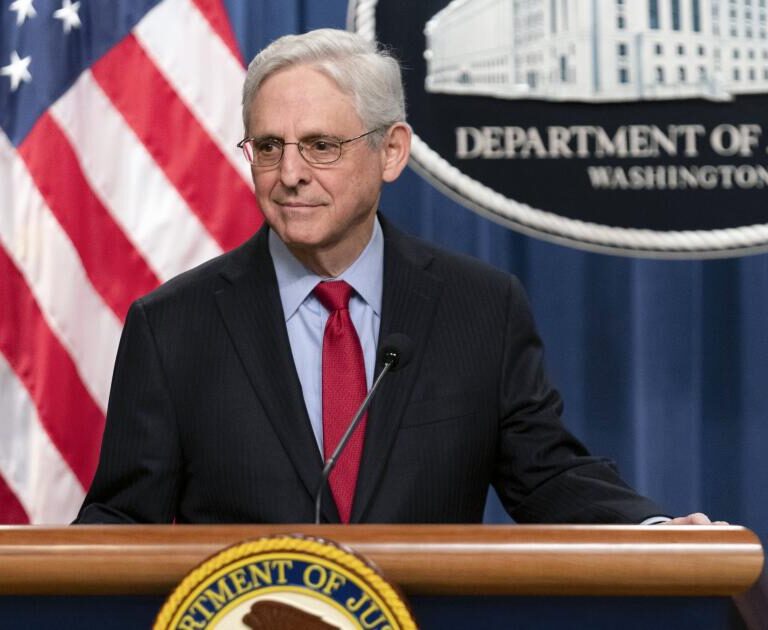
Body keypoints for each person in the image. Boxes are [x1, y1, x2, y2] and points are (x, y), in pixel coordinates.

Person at [76, 29, 716, 526]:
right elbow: (122, 519)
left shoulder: (479, 308)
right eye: (268, 147)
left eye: (321, 145)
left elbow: (545, 476)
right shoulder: (173, 325)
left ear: (391, 151)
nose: (289, 174)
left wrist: (656, 532)